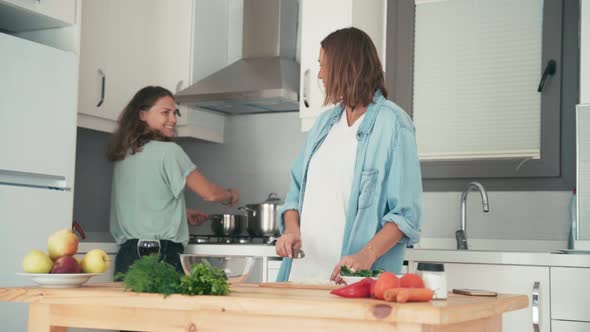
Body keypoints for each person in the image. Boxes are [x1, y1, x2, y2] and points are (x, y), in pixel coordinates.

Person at [274, 27, 422, 283]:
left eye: (324, 66)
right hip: (301, 276)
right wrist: (291, 230)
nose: (319, 75)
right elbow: (295, 195)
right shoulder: (323, 125)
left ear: (345, 67)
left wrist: (366, 256)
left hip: (354, 281)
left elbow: (405, 216)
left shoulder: (394, 124)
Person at [107, 86, 240, 277]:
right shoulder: (170, 152)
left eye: (174, 113)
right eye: (165, 113)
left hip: (127, 256)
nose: (174, 119)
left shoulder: (124, 155)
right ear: (142, 114)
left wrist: (180, 214)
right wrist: (231, 195)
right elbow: (209, 193)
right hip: (161, 254)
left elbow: (139, 204)